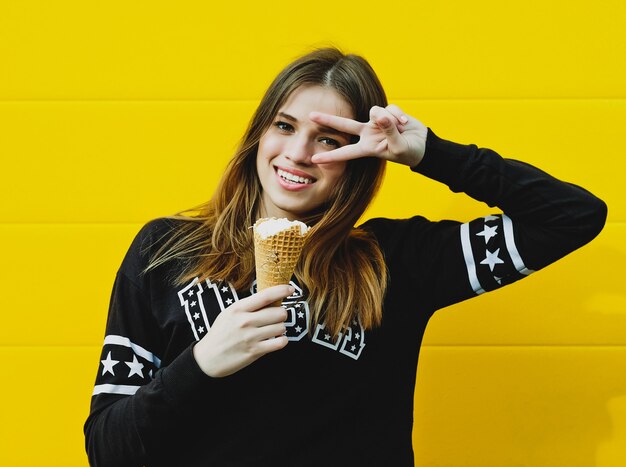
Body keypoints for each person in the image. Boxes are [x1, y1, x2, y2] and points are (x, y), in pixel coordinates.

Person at [84, 47, 607, 466]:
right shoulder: (165, 250)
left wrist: (430, 153)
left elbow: (572, 216)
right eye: (285, 127)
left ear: (357, 160)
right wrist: (200, 365)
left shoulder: (396, 262)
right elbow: (108, 449)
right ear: (259, 134)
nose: (298, 153)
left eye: (328, 139)